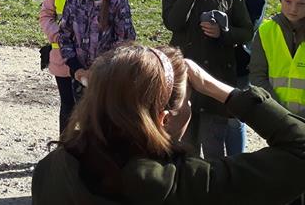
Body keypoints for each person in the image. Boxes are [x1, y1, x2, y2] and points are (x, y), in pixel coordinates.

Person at [32, 43, 305, 204]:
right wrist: (223, 90)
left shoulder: (50, 169)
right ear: (164, 119)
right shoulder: (184, 185)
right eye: (188, 102)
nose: (190, 108)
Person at [162, 0, 253, 159]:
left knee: (214, 148)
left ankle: (217, 182)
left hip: (216, 76)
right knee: (185, 148)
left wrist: (224, 34)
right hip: (184, 78)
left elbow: (246, 31)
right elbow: (173, 23)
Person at [208, 0, 267, 155]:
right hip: (207, 56)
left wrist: (227, 34)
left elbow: (254, 19)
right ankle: (214, 169)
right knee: (212, 117)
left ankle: (238, 165)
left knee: (236, 117)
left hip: (240, 57)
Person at [59, 0, 135, 104]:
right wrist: (76, 68)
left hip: (109, 77)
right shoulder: (73, 1)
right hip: (80, 77)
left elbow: (126, 41)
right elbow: (64, 36)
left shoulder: (118, 2)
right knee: (82, 116)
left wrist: (101, 68)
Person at [38, 0, 84, 133]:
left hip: (86, 57)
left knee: (87, 105)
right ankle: (64, 143)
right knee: (67, 104)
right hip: (62, 57)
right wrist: (58, 35)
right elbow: (45, 15)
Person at [249, 0, 305, 115]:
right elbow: (257, 75)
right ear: (281, 1)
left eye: (301, 4)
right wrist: (279, 111)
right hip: (275, 114)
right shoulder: (266, 31)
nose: (293, 9)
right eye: (288, 2)